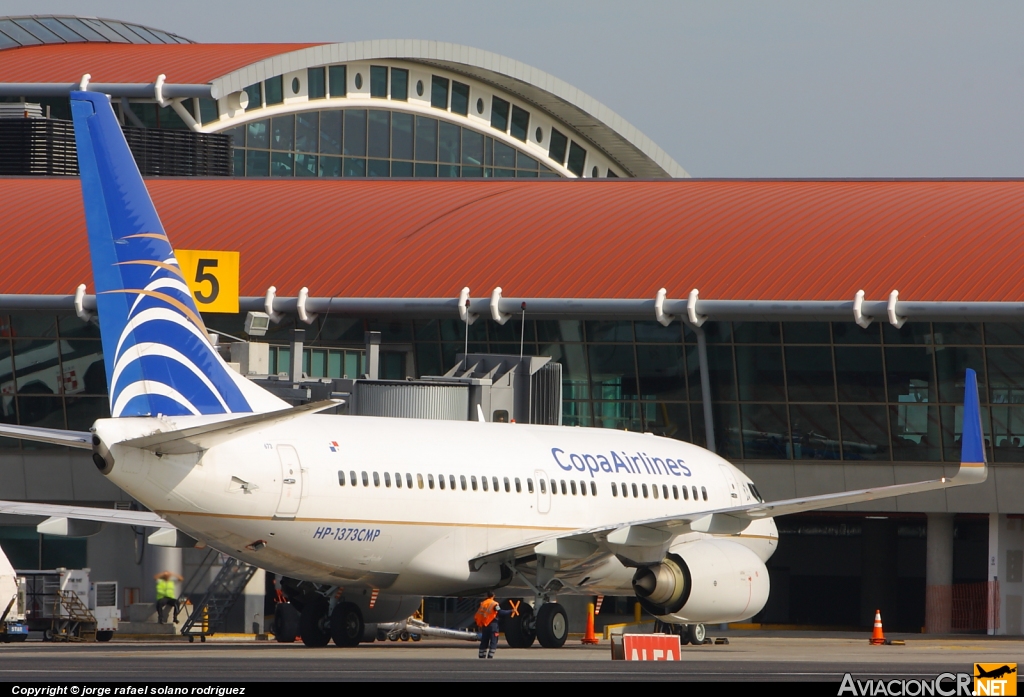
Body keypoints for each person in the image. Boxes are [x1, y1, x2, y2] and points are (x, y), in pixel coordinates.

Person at [474, 591, 511, 659]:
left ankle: (481, 655)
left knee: (484, 641)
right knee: (494, 641)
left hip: (485, 624)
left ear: (487, 595)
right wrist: (511, 611)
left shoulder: (483, 603)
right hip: (493, 625)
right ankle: (490, 656)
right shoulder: (494, 604)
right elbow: (500, 612)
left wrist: (479, 624)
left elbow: (479, 614)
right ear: (493, 596)